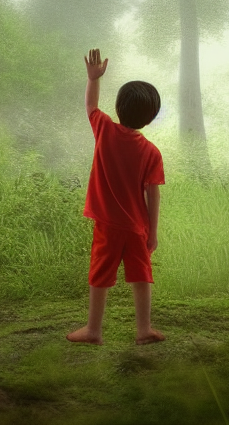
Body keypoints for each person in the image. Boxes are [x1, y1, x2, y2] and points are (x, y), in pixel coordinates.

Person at [67, 48, 165, 346]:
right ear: (150, 118)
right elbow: (153, 195)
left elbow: (90, 105)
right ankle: (144, 329)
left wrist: (93, 78)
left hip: (108, 224)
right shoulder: (151, 152)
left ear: (119, 108)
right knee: (141, 277)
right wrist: (152, 231)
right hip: (137, 226)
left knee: (100, 275)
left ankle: (93, 331)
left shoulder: (105, 131)